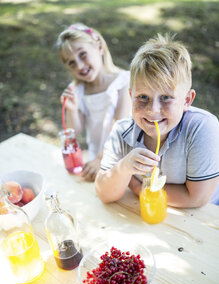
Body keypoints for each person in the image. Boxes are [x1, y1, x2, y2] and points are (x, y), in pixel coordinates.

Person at [95, 34, 219, 208]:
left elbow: (196, 198)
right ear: (131, 96)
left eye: (166, 97)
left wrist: (139, 187)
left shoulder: (202, 127)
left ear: (186, 100)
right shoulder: (122, 131)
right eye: (143, 97)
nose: (153, 109)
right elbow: (104, 193)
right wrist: (124, 168)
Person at [56, 23, 132, 181]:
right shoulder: (78, 90)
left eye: (82, 54)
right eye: (71, 63)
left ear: (99, 46)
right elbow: (73, 132)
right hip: (97, 158)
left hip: (123, 157)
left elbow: (120, 126)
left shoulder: (124, 82)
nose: (79, 65)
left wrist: (101, 159)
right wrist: (72, 109)